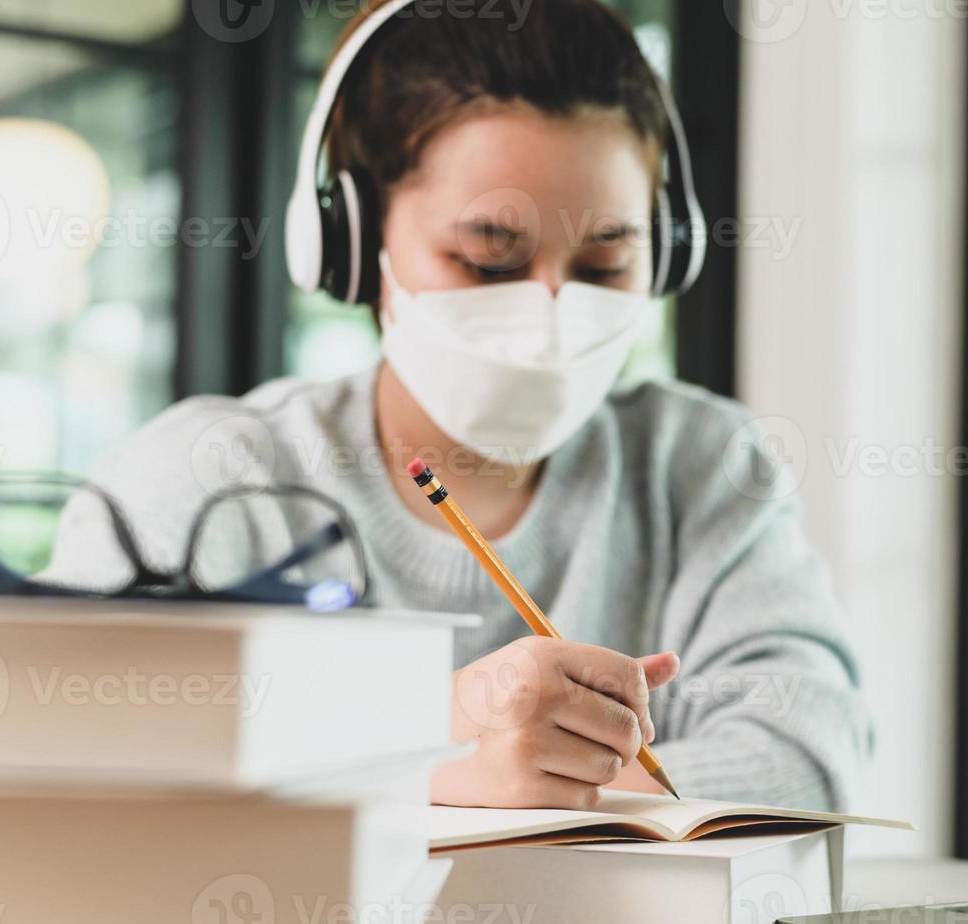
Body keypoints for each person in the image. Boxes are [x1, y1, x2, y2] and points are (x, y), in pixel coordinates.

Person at [58, 0, 871, 813]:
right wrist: (438, 762)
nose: (552, 312)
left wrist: (372, 775)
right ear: (350, 243)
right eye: (488, 259)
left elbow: (805, 756)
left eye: (603, 266)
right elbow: (75, 757)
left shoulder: (700, 465)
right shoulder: (205, 480)